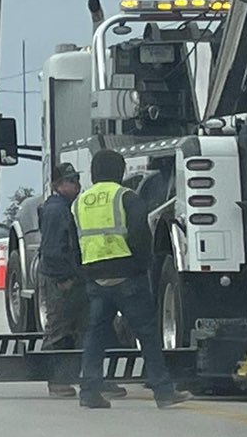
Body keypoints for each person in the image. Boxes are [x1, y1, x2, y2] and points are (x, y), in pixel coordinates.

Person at [73, 149, 190, 410]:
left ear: (93, 173)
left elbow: (74, 243)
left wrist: (85, 273)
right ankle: (163, 391)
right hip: (127, 277)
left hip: (95, 278)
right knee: (147, 335)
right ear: (120, 172)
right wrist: (141, 267)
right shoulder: (127, 197)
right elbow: (140, 236)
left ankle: (89, 392)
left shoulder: (80, 202)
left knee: (95, 337)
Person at [35, 163, 123, 400]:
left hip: (77, 280)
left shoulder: (67, 207)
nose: (77, 184)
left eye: (76, 179)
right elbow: (52, 251)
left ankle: (95, 379)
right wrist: (64, 279)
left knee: (90, 329)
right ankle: (56, 381)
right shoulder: (56, 210)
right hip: (61, 281)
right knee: (59, 330)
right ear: (58, 184)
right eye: (71, 180)